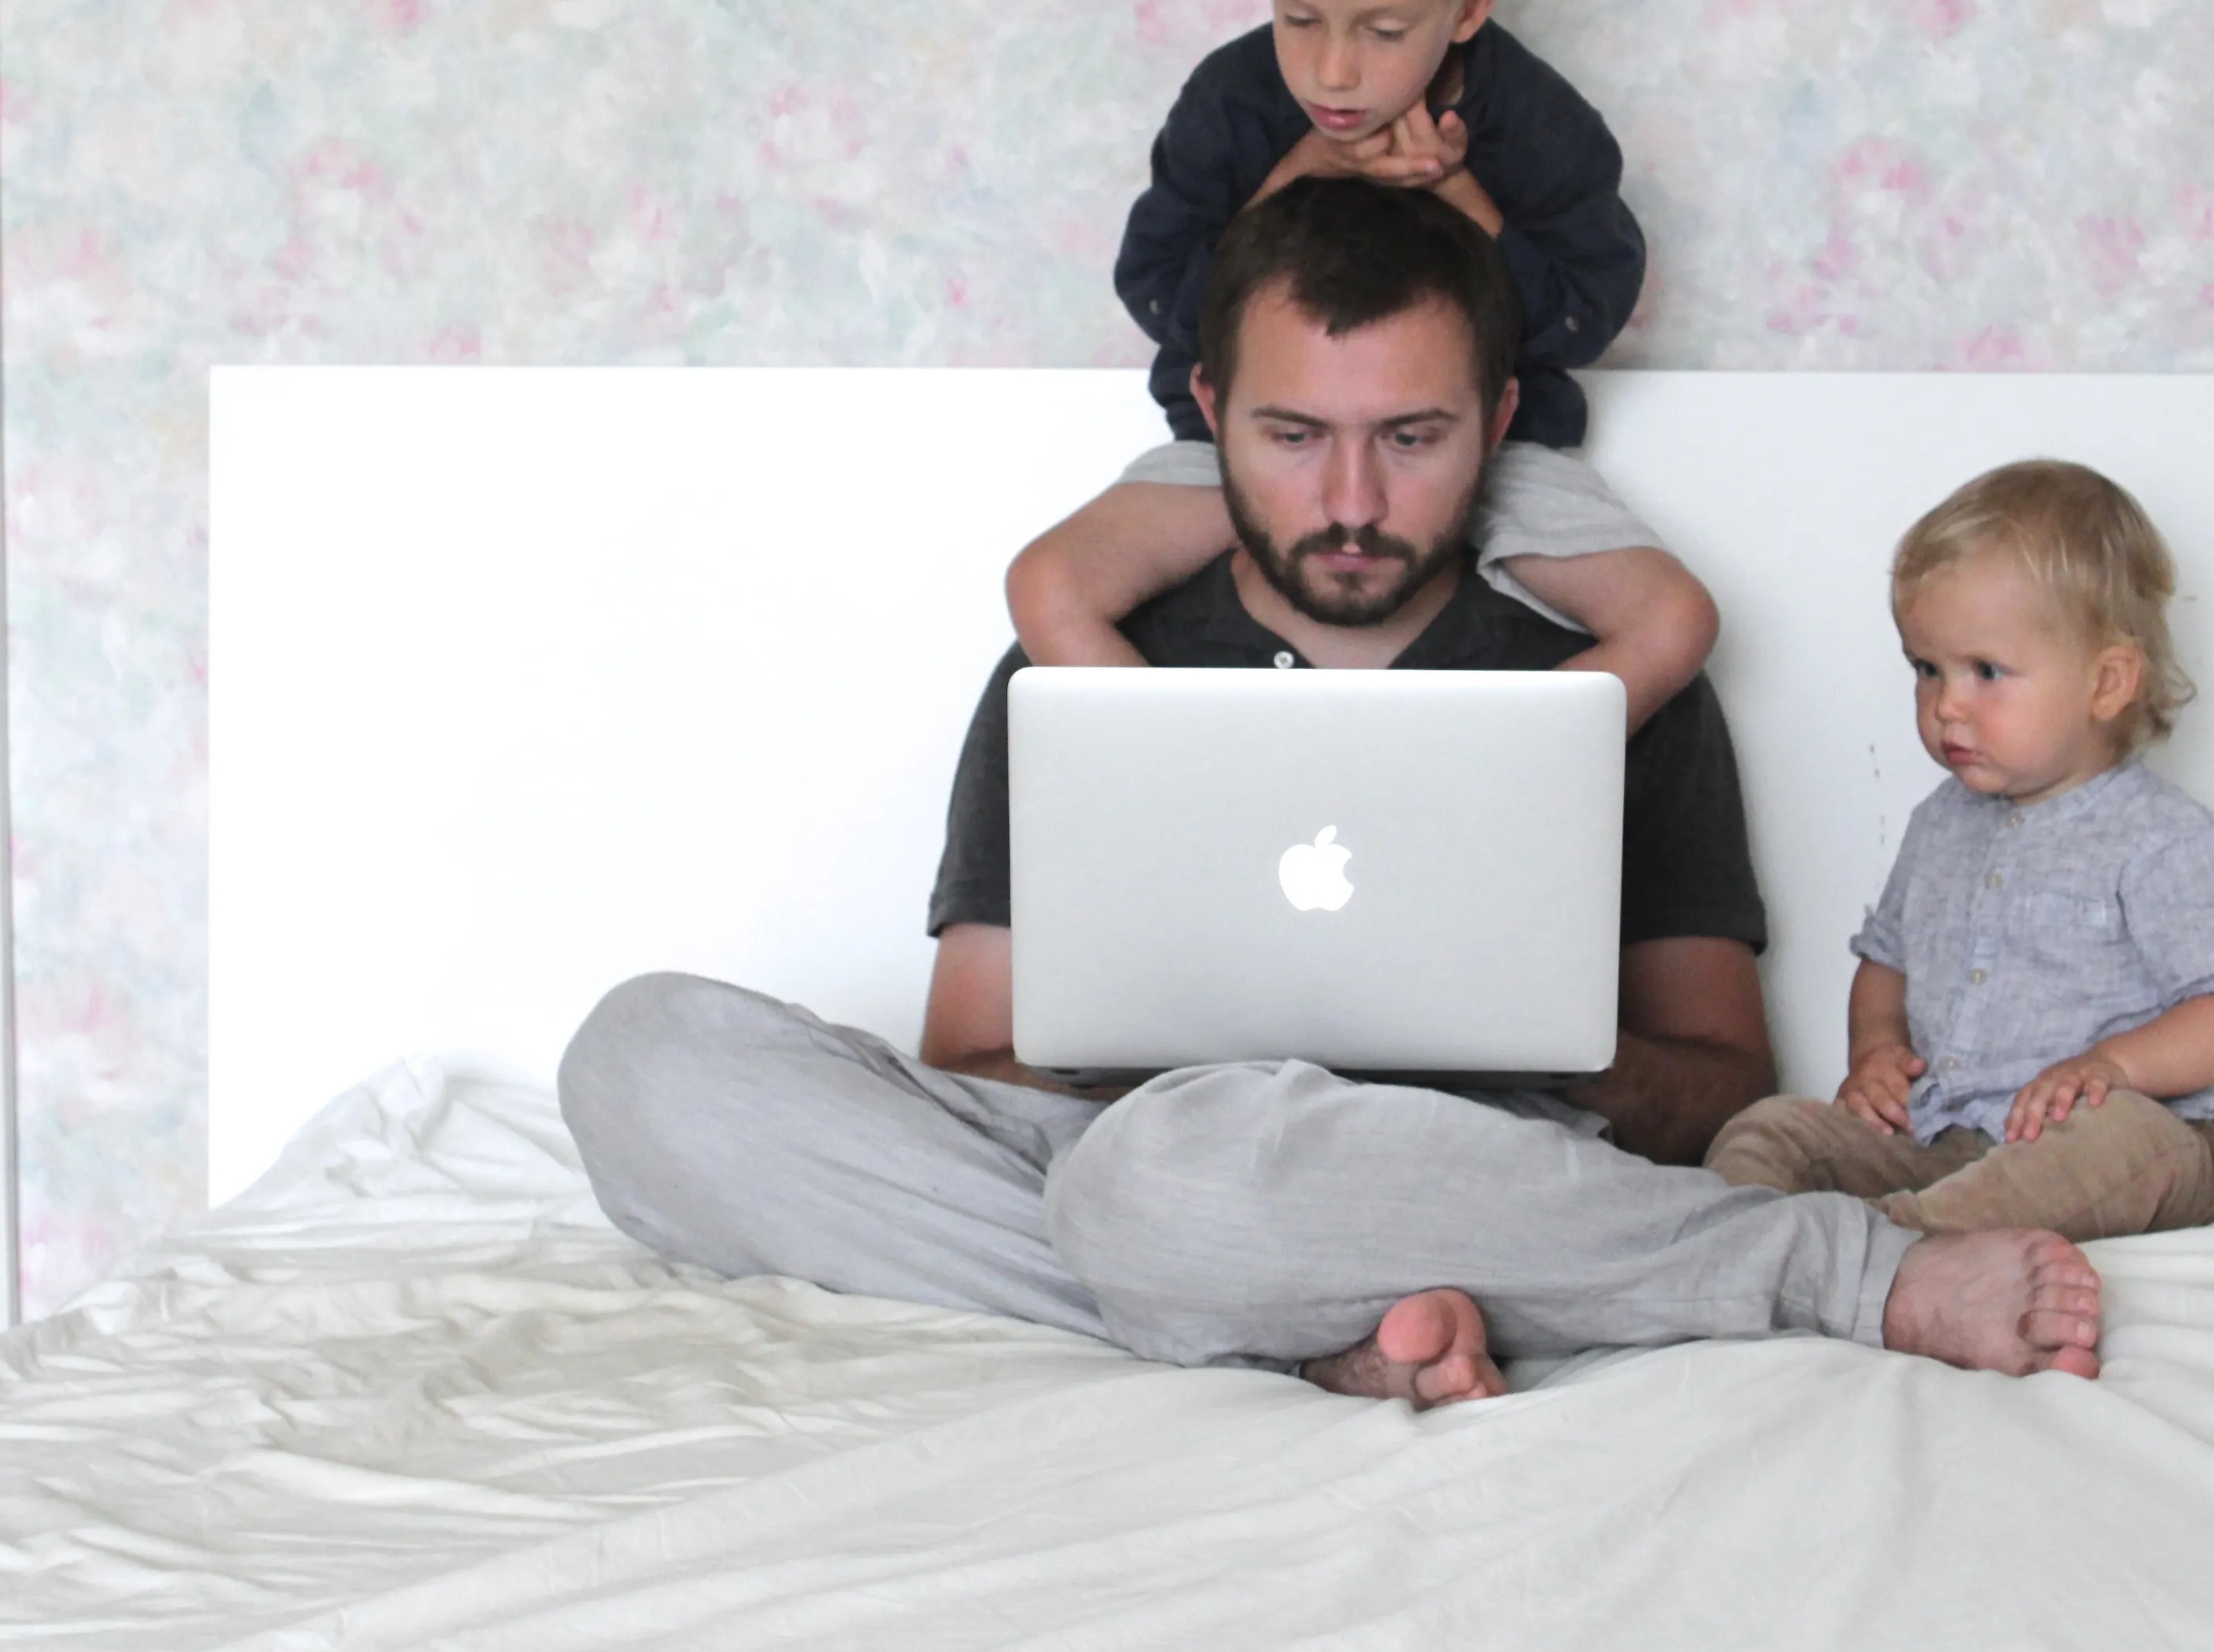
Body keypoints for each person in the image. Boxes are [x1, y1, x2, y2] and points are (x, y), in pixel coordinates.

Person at [560, 181, 2104, 1405]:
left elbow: (1720, 1085)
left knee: (1170, 1188)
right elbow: (971, 1054)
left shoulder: (1602, 682)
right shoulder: (1086, 674)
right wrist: (1187, 1050)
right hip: (1136, 1158)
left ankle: (1846, 1275)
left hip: (1463, 1168)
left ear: (1498, 422)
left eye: (1411, 439)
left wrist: (1546, 1059)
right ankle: (1299, 1323)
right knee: (647, 1063)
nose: (1353, 502)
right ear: (1210, 410)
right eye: (1293, 437)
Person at [1006, 0, 1718, 732]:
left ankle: (1470, 774)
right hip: (1255, 465)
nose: (1332, 70)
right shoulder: (1233, 102)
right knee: (1045, 586)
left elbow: (1582, 316)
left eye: (1383, 30)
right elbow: (1159, 288)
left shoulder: (1540, 125)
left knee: (1676, 620)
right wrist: (1297, 173)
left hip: (1493, 457)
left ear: (1469, 8)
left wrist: (1462, 196)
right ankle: (1188, 774)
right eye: (1299, 19)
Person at [1705, 462, 2214, 1243]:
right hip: (1943, 1141)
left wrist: (2115, 1068)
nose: (1946, 704)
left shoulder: (2157, 838)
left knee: (2124, 1142)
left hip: (2114, 1142)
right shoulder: (1939, 824)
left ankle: (1889, 1248)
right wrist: (1877, 1051)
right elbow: (1887, 964)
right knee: (1768, 1130)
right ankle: (1747, 1244)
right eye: (1926, 669)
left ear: (2107, 683)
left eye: (1986, 672)